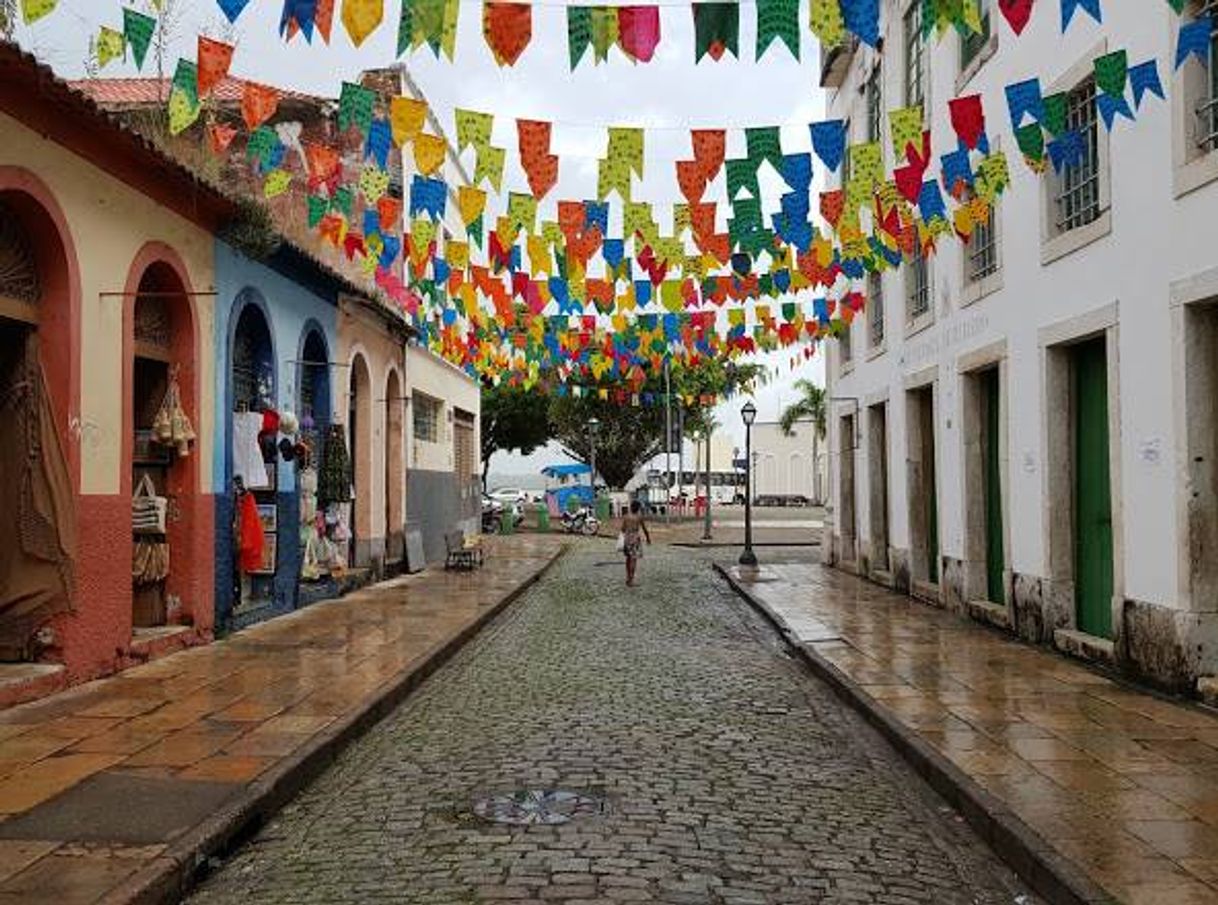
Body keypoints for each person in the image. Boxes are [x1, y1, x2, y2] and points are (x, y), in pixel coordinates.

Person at [620, 500, 651, 587]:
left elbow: (622, 529)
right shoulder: (639, 517)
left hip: (627, 539)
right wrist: (648, 538)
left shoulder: (626, 517)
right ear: (638, 508)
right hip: (635, 539)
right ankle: (631, 580)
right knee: (634, 560)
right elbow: (644, 529)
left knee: (628, 559)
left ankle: (627, 578)